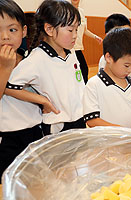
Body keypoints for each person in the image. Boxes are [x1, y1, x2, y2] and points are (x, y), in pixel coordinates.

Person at [6, 0, 86, 135]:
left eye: (76, 29)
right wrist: (43, 101)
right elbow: (9, 87)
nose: (75, 35)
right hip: (58, 123)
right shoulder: (37, 59)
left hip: (79, 118)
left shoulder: (71, 53)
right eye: (70, 30)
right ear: (49, 29)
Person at [83, 27, 131, 135]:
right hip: (105, 144)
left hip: (129, 139)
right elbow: (92, 120)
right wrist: (122, 130)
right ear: (109, 58)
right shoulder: (94, 85)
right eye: (127, 65)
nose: (130, 70)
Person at [0, 0, 43, 183]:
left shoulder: (30, 60)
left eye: (12, 30)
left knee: (33, 181)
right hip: (6, 137)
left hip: (34, 132)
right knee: (8, 184)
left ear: (24, 31)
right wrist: (4, 68)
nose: (5, 37)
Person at [71, 0, 102, 84]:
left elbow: (85, 30)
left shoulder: (81, 11)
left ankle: (83, 89)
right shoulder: (66, 11)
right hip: (69, 48)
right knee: (80, 70)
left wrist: (95, 37)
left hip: (78, 47)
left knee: (84, 70)